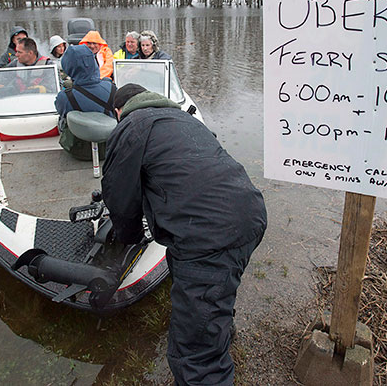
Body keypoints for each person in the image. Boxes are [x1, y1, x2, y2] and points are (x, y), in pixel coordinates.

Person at [101, 84, 267, 386]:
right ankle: (217, 328)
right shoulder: (184, 119)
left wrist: (129, 235)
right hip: (249, 212)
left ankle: (206, 348)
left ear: (118, 111)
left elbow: (118, 196)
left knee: (195, 356)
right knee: (212, 282)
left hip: (207, 233)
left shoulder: (130, 128)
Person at [54, 45, 116, 160]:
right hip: (109, 148)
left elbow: (60, 110)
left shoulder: (65, 96)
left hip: (77, 151)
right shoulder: (111, 88)